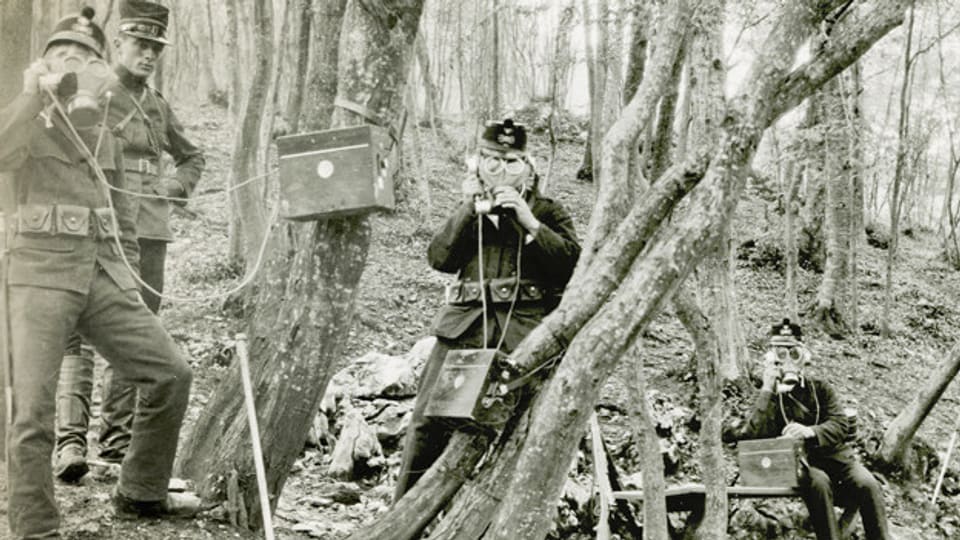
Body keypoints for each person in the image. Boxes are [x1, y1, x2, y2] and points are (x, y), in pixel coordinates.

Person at [0, 7, 198, 538]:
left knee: (170, 373)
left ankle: (141, 492)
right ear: (43, 64)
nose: (76, 64)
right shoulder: (22, 117)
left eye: (87, 57)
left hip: (101, 272)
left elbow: (121, 214)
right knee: (31, 415)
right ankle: (36, 527)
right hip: (37, 276)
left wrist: (129, 276)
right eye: (64, 55)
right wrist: (31, 93)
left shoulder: (104, 127)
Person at [53, 0, 205, 482]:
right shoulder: (94, 93)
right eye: (140, 44)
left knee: (139, 338)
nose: (148, 55)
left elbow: (193, 158)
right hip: (98, 229)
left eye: (155, 48)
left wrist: (172, 189)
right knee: (76, 336)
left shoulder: (159, 106)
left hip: (150, 232)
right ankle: (70, 444)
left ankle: (116, 447)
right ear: (119, 42)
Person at [393, 118, 581, 500]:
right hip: (464, 329)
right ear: (477, 163)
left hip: (523, 334)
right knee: (429, 424)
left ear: (529, 167)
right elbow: (440, 258)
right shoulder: (469, 208)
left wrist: (529, 223)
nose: (502, 169)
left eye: (513, 161)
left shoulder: (547, 210)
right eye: (492, 160)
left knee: (518, 427)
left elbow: (572, 266)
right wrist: (468, 210)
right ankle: (405, 520)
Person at [735, 318, 891, 540]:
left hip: (837, 460)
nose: (788, 361)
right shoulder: (767, 397)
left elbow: (840, 424)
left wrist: (809, 432)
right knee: (819, 483)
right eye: (781, 353)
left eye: (794, 353)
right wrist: (768, 389)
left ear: (804, 357)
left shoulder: (820, 389)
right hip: (799, 464)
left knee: (868, 484)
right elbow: (751, 435)